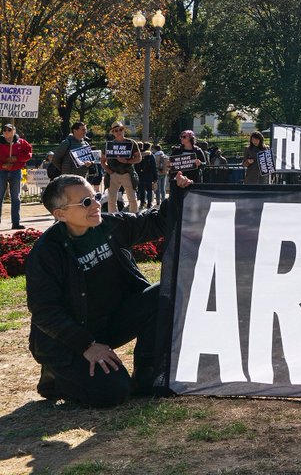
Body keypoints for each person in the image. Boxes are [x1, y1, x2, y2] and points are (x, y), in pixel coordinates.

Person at [26, 170, 194, 407]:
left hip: (108, 324)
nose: (96, 204)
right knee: (113, 393)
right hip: (68, 341)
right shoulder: (45, 254)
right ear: (60, 214)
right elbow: (44, 311)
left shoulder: (110, 225)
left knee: (164, 293)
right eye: (85, 202)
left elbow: (156, 222)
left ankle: (147, 376)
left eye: (95, 196)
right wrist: (87, 345)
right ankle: (55, 378)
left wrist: (178, 193)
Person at [100, 123, 142, 213]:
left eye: (120, 129)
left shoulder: (131, 143)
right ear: (113, 133)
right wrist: (109, 171)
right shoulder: (108, 145)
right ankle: (114, 219)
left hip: (127, 173)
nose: (118, 132)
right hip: (113, 174)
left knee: (132, 199)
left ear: (124, 130)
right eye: (116, 130)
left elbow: (139, 158)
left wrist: (127, 161)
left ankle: (133, 219)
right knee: (111, 200)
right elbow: (102, 160)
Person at [1, 123, 34, 228]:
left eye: (9, 129)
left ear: (14, 131)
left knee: (16, 197)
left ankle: (16, 222)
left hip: (16, 171)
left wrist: (16, 158)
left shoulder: (22, 142)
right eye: (4, 129)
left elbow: (28, 154)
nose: (6, 131)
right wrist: (3, 165)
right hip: (1, 171)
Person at [135, 142, 158, 208]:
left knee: (141, 189)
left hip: (140, 174)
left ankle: (142, 203)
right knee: (149, 190)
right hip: (149, 174)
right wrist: (155, 177)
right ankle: (149, 203)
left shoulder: (138, 155)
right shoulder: (150, 155)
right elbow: (154, 167)